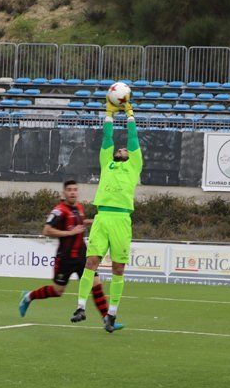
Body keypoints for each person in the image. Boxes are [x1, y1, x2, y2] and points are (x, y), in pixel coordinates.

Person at [72, 100, 142, 333]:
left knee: (118, 269)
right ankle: (80, 307)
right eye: (119, 149)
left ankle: (111, 315)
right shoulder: (107, 164)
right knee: (91, 262)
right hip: (102, 217)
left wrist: (129, 113)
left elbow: (133, 139)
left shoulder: (134, 166)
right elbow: (107, 138)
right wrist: (110, 114)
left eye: (124, 149)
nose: (121, 148)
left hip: (122, 219)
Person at [18, 180, 122, 330]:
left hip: (82, 256)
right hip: (65, 258)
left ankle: (107, 320)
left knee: (96, 284)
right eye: (69, 190)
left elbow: (78, 222)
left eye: (75, 190)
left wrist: (92, 221)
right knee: (58, 291)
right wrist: (70, 233)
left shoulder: (79, 207)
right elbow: (46, 230)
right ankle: (28, 296)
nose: (73, 192)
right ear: (64, 193)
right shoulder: (59, 210)